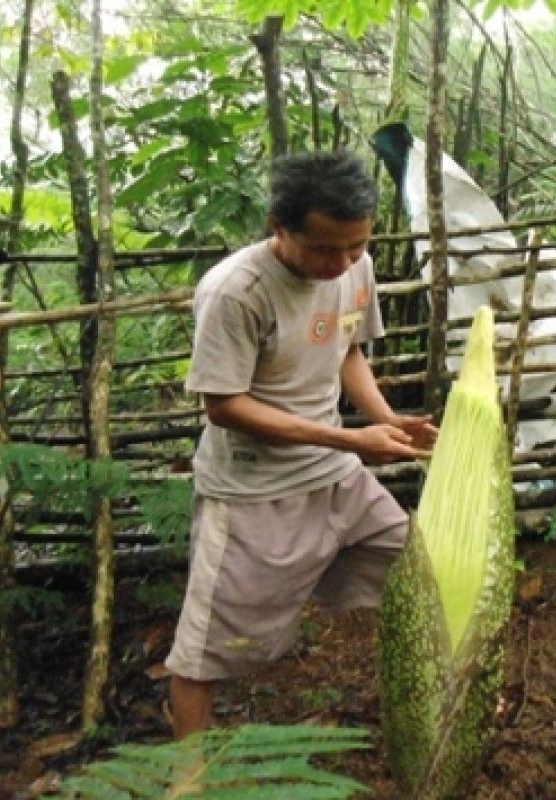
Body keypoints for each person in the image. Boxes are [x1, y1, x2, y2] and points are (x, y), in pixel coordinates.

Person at [164, 150, 436, 739]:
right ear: (277, 228)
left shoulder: (352, 268)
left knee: (423, 572)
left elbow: (349, 349)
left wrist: (389, 420)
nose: (341, 262)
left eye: (356, 246)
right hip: (254, 493)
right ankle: (185, 773)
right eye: (324, 248)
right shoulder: (237, 291)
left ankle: (432, 709)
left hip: (336, 478)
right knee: (205, 648)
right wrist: (350, 439)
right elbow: (224, 405)